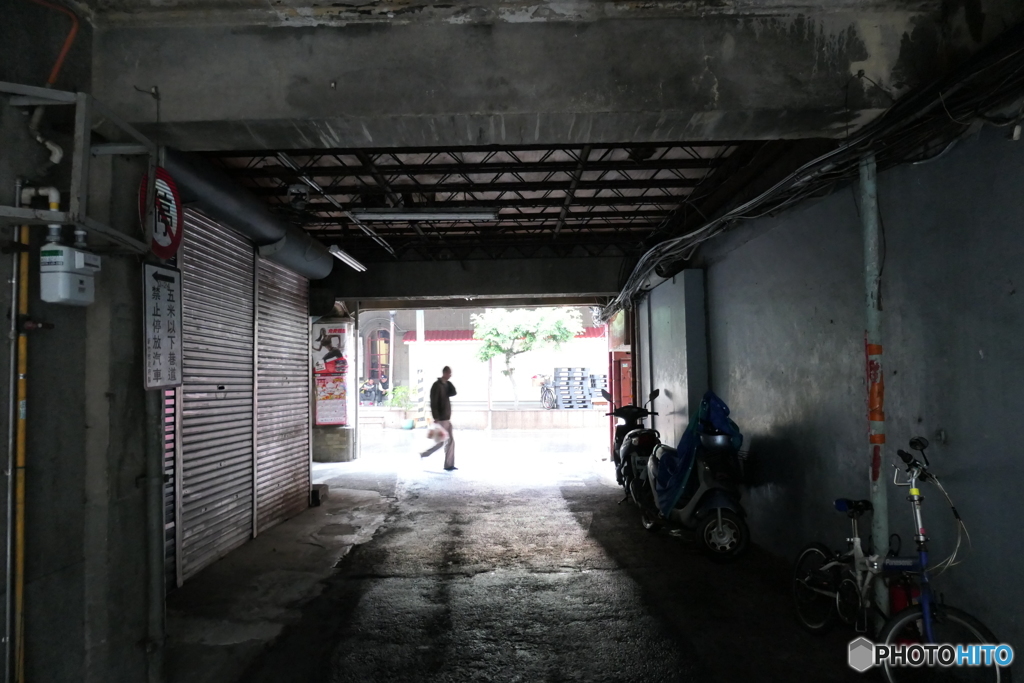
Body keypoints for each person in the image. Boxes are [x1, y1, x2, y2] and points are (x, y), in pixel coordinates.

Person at [420, 365, 457, 470]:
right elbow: (433, 402)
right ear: (444, 373)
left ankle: (449, 464)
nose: (450, 375)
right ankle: (424, 454)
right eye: (449, 373)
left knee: (450, 441)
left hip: (446, 418)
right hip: (441, 418)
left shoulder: (446, 385)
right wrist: (435, 416)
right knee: (441, 442)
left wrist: (448, 383)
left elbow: (454, 392)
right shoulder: (437, 386)